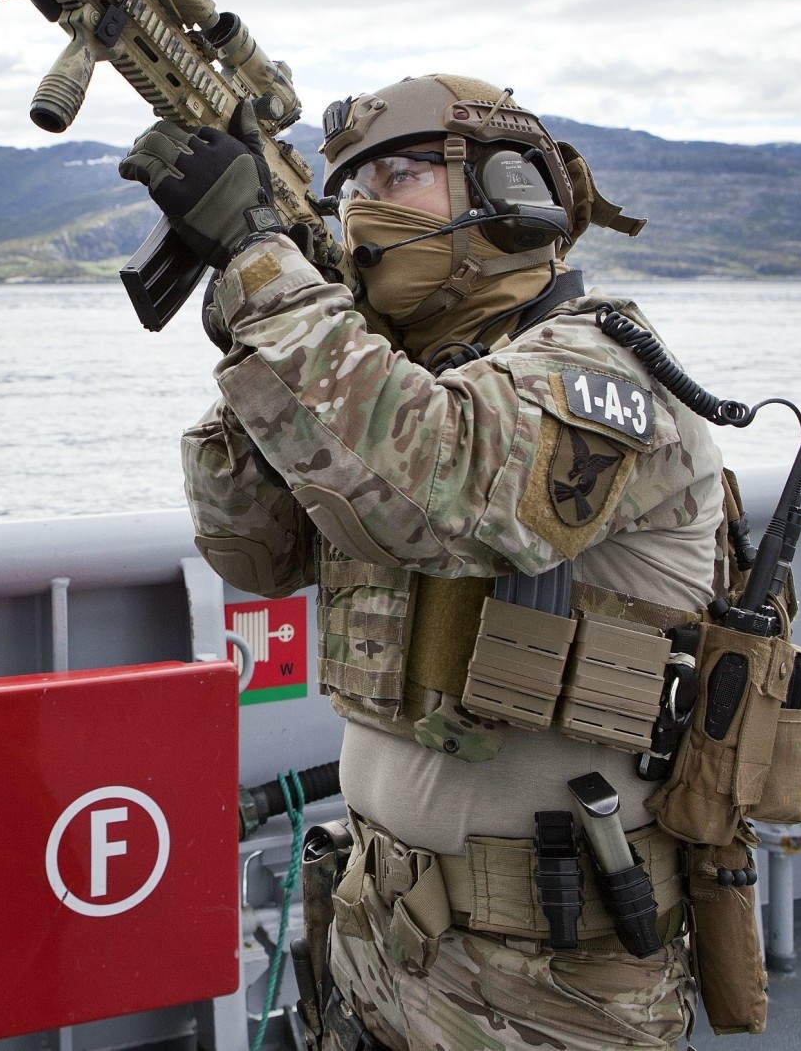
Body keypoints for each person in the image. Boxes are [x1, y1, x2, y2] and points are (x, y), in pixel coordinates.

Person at [119, 75, 727, 1050]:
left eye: (402, 172)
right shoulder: (393, 382)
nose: (364, 203)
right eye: (352, 182)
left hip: (549, 977)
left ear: (510, 193)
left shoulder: (600, 367)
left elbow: (445, 496)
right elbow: (253, 545)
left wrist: (271, 277)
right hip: (376, 930)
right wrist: (257, 333)